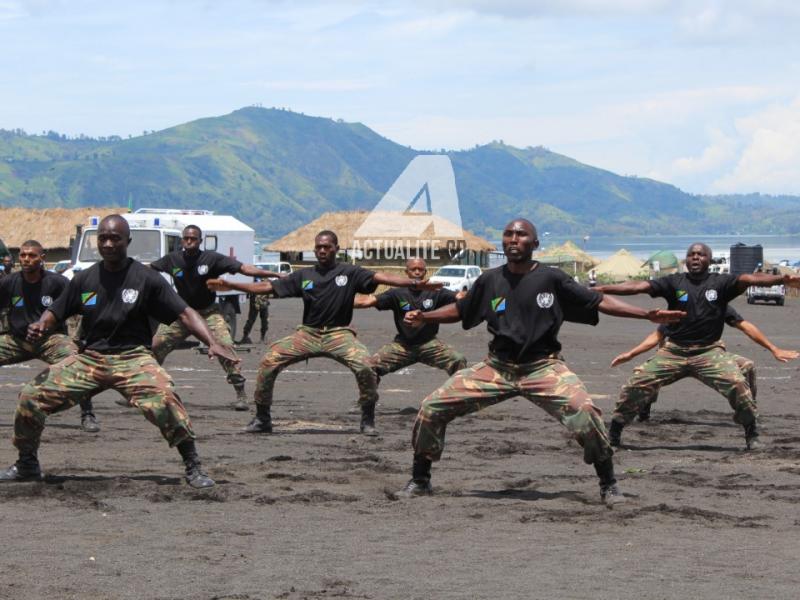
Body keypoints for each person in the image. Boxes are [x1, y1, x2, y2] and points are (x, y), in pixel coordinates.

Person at [395, 218, 685, 505]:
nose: (513, 239)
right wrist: (425, 316)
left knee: (585, 411)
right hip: (497, 367)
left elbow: (598, 302)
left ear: (535, 243)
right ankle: (420, 480)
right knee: (432, 407)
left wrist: (644, 314)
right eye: (508, 234)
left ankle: (608, 484)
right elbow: (460, 309)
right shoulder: (489, 280)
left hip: (543, 368)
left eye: (521, 235)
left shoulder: (552, 278)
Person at [0, 215, 238, 488]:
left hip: (133, 358)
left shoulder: (146, 278)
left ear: (128, 241)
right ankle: (27, 464)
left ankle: (193, 465)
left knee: (165, 398)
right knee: (30, 396)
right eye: (103, 238)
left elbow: (185, 312)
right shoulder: (84, 279)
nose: (109, 243)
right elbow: (56, 310)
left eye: (115, 238)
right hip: (90, 358)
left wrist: (213, 342)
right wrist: (42, 325)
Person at [207, 230, 444, 437]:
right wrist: (232, 285)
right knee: (269, 361)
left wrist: (412, 284)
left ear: (336, 249)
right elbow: (266, 287)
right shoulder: (304, 276)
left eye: (326, 247)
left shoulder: (350, 272)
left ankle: (367, 418)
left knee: (365, 366)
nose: (322, 251)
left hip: (339, 334)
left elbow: (380, 277)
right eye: (318, 247)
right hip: (307, 334)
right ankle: (262, 418)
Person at [597, 243, 800, 450]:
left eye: (701, 254)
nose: (695, 257)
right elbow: (639, 286)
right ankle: (615, 432)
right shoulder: (673, 283)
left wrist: (782, 279)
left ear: (709, 260)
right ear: (686, 260)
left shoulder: (721, 284)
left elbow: (748, 279)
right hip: (673, 351)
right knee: (637, 383)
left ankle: (751, 432)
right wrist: (603, 288)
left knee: (738, 384)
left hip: (708, 352)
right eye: (691, 254)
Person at [150, 225, 280, 411]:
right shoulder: (172, 260)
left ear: (200, 241)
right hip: (183, 313)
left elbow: (245, 269)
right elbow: (148, 270)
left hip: (209, 313)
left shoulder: (212, 259)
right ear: (181, 240)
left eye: (193, 239)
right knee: (155, 345)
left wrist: (274, 274)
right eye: (186, 238)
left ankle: (241, 394)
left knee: (225, 346)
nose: (189, 241)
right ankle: (145, 389)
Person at [611, 305, 798, 421]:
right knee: (646, 376)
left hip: (710, 354)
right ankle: (644, 410)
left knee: (747, 365)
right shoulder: (680, 307)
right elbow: (657, 335)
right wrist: (631, 354)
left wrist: (774, 348)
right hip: (675, 354)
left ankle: (750, 411)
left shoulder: (720, 305)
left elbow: (745, 326)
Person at [0, 240, 100, 432]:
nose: (26, 259)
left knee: (77, 363)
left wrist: (83, 339)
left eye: (32, 255)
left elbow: (82, 308)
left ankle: (88, 414)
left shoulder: (57, 283)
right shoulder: (8, 283)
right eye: (23, 255)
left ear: (42, 258)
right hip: (17, 340)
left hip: (50, 340)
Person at [354, 257, 467, 384]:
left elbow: (459, 296)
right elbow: (368, 301)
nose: (417, 272)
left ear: (425, 272)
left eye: (420, 269)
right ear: (406, 272)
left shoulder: (436, 292)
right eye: (413, 269)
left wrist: (465, 296)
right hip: (403, 345)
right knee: (368, 367)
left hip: (429, 344)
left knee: (458, 360)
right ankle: (367, 402)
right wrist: (340, 301)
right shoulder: (396, 293)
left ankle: (459, 400)